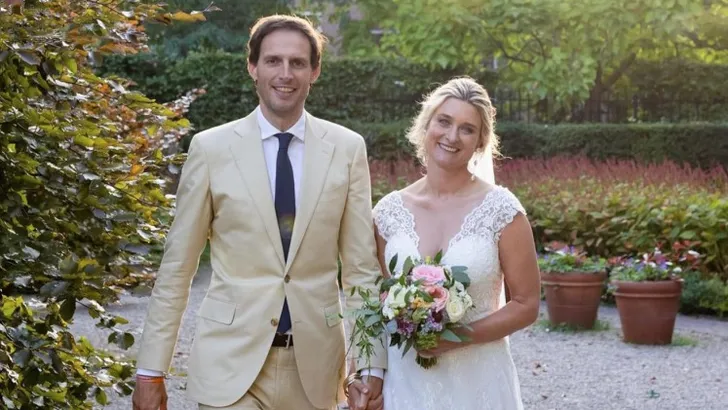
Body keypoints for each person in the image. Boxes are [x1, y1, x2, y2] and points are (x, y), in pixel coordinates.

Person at [131, 14, 386, 410]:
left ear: (315, 71)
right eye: (273, 61)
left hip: (315, 368)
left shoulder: (347, 149)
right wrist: (150, 371)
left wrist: (370, 367)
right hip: (229, 366)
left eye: (297, 62)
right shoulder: (210, 149)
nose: (285, 73)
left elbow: (360, 271)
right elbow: (177, 267)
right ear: (253, 67)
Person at [371, 77, 541, 409]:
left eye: (467, 129)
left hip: (479, 382)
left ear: (480, 141)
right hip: (406, 381)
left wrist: (456, 337)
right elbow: (376, 300)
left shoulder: (502, 211)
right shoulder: (388, 213)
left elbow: (526, 304)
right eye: (444, 121)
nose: (452, 136)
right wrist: (370, 376)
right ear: (426, 125)